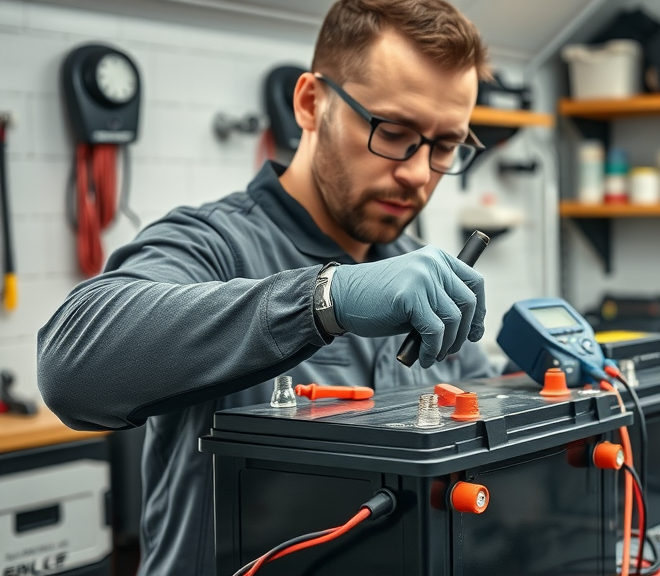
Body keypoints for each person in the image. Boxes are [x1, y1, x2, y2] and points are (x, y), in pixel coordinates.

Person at [37, 1, 494, 574]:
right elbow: (70, 365)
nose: (418, 173)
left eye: (446, 146)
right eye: (395, 132)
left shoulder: (423, 279)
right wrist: (326, 300)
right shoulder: (213, 244)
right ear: (310, 103)